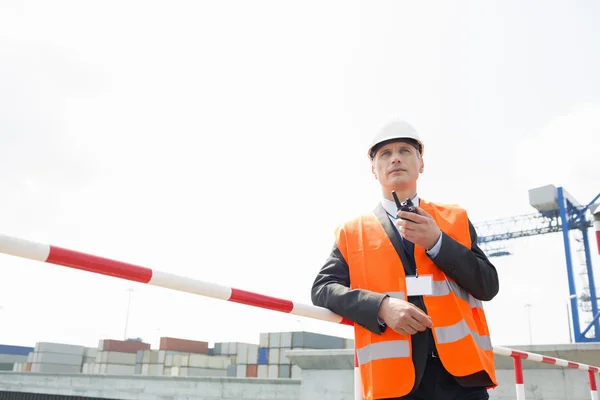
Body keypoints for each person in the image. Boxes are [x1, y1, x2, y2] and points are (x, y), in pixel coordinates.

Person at [311, 120, 499, 400]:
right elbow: (323, 289)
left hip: (462, 380)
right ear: (374, 170)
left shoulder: (453, 219)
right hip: (394, 384)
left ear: (421, 164)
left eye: (404, 150)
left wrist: (438, 243)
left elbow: (488, 285)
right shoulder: (352, 232)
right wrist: (381, 306)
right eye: (385, 154)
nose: (395, 157)